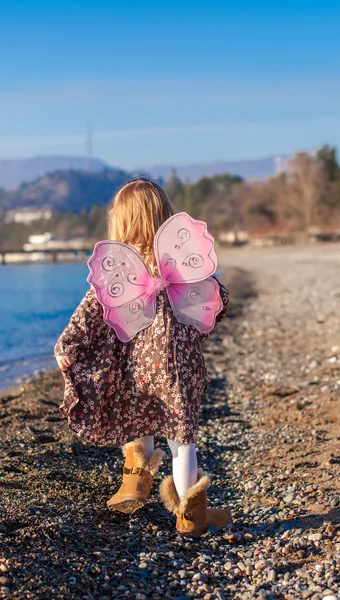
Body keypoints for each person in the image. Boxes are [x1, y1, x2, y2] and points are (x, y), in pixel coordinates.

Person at [54, 178, 231, 536]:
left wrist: (66, 346)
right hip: (179, 370)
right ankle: (190, 516)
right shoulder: (179, 261)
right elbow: (217, 297)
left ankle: (136, 480)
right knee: (182, 440)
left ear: (120, 221)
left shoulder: (118, 266)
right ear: (163, 215)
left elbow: (90, 310)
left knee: (136, 418)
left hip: (134, 369)